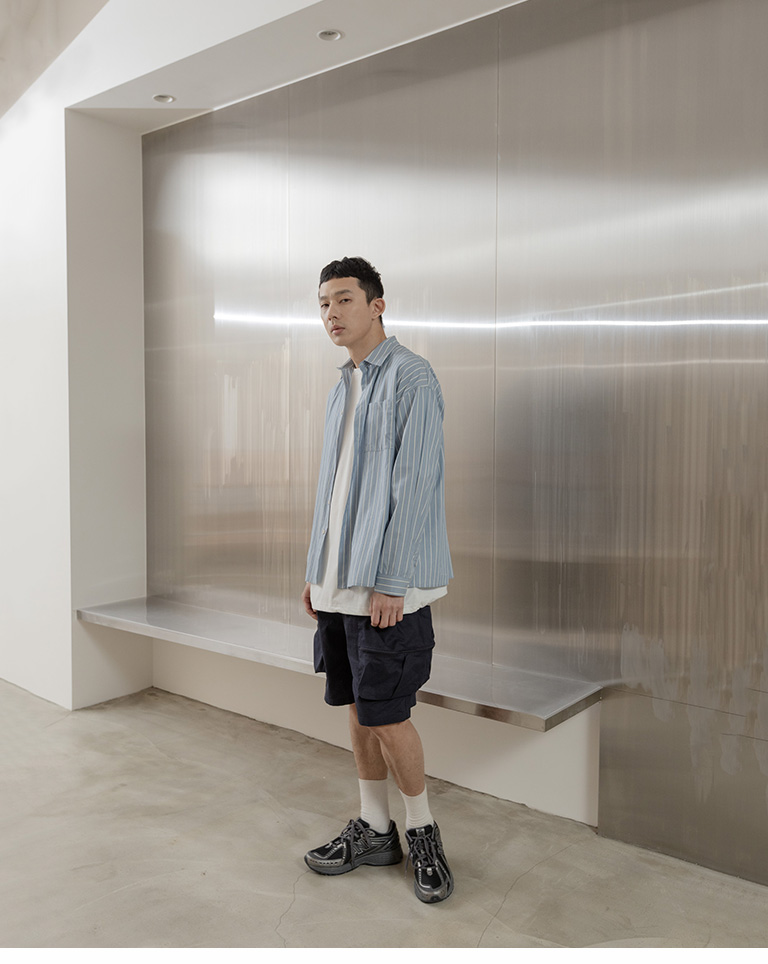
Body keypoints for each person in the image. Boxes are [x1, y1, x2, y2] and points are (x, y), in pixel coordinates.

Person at [301, 256, 454, 904]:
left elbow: (415, 486)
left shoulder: (412, 376)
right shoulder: (344, 385)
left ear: (376, 305)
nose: (331, 314)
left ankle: (423, 834)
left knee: (389, 715)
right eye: (323, 304)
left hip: (389, 589)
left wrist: (391, 580)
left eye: (343, 299)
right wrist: (316, 572)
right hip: (339, 583)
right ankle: (374, 828)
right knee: (359, 710)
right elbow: (332, 489)